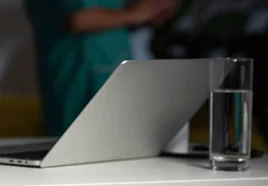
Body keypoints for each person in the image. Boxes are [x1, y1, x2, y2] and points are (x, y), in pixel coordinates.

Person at [24, 0, 175, 136]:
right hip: (79, 79)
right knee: (75, 150)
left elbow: (108, 14)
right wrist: (137, 14)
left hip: (110, 77)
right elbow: (80, 19)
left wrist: (151, 10)